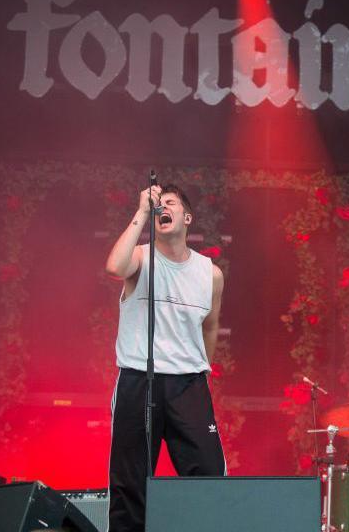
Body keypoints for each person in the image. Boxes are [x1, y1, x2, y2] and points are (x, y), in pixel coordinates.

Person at [104, 182, 226, 532]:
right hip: (138, 380)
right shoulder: (141, 257)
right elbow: (114, 267)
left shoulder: (210, 274)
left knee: (207, 476)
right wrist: (142, 210)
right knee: (131, 484)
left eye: (169, 204)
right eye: (159, 206)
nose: (163, 209)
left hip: (188, 385)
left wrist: (201, 371)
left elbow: (211, 327)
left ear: (187, 218)